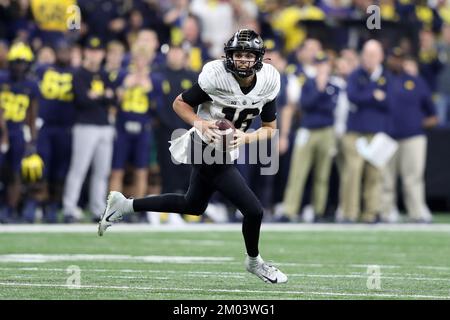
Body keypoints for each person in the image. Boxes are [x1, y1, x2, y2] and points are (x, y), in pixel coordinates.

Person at [98, 29, 288, 284]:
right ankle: (254, 261)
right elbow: (180, 102)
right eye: (238, 55)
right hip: (204, 144)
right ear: (229, 56)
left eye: (248, 55)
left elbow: (269, 130)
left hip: (228, 146)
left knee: (193, 205)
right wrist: (199, 123)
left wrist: (245, 138)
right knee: (253, 210)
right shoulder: (217, 75)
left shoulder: (269, 80)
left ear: (259, 58)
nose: (242, 60)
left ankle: (125, 205)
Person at [62, 36, 115, 223]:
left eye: (98, 51)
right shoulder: (79, 74)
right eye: (91, 51)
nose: (95, 54)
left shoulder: (104, 74)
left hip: (104, 126)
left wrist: (97, 96)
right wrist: (103, 96)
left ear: (102, 54)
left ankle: (97, 209)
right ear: (86, 53)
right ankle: (69, 208)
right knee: (79, 169)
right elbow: (82, 100)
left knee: (102, 171)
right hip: (85, 126)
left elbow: (113, 98)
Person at [282, 51, 340, 223]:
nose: (322, 68)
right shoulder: (307, 83)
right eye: (319, 64)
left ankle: (318, 210)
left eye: (324, 64)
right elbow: (305, 104)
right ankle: (290, 210)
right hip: (307, 130)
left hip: (326, 131)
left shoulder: (335, 85)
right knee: (298, 172)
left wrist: (319, 93)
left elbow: (330, 108)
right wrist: (319, 89)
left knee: (322, 174)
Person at [382, 49, 438, 223]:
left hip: (413, 136)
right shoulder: (382, 80)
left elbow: (432, 113)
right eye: (394, 59)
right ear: (389, 60)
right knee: (385, 178)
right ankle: (386, 211)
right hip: (387, 136)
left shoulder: (416, 81)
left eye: (400, 59)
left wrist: (417, 123)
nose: (397, 62)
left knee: (412, 178)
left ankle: (416, 212)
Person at [340, 39, 391, 223]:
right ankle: (349, 213)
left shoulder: (387, 75)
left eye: (373, 55)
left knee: (375, 173)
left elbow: (390, 101)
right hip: (355, 131)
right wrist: (374, 94)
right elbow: (353, 96)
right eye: (367, 54)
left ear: (381, 56)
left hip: (377, 132)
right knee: (353, 171)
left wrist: (368, 96)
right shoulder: (355, 75)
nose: (369, 59)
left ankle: (371, 212)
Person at [0, 42, 39, 223]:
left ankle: (10, 209)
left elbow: (32, 114)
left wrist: (32, 140)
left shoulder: (31, 85)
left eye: (23, 62)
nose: (19, 66)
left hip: (17, 131)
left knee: (15, 172)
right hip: (3, 129)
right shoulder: (2, 79)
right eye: (16, 62)